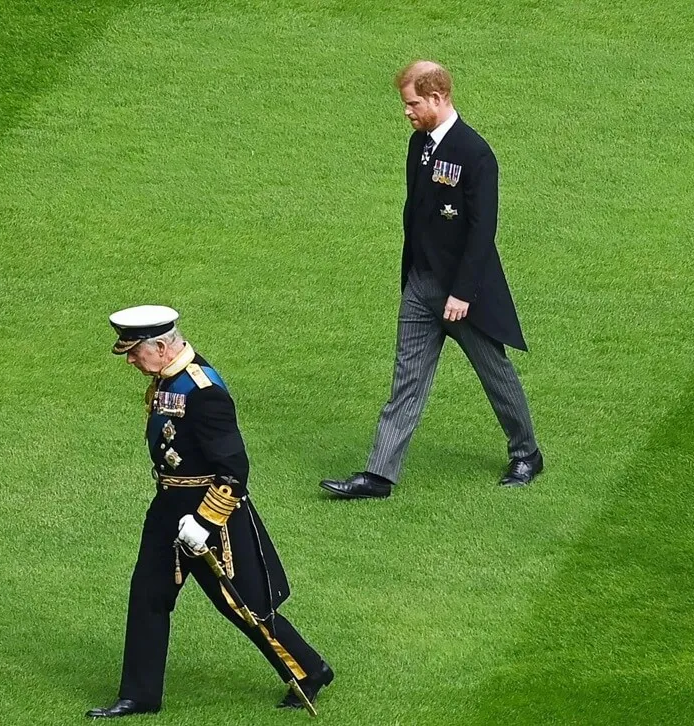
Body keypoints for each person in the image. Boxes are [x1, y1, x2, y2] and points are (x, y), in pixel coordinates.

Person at [87, 305, 332, 718]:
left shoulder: (204, 392)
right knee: (148, 595)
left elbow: (234, 470)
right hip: (167, 509)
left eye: (134, 351)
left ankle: (310, 670)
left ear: (162, 346)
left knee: (243, 605)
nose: (130, 359)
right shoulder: (167, 378)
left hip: (212, 518)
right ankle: (140, 695)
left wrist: (204, 521)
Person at [320, 60, 543, 500]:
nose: (407, 111)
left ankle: (527, 453)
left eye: (413, 103)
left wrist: (462, 292)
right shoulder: (419, 145)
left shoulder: (474, 152)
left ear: (437, 98)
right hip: (421, 287)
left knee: (494, 372)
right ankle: (379, 476)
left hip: (461, 293)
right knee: (406, 379)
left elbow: (482, 231)